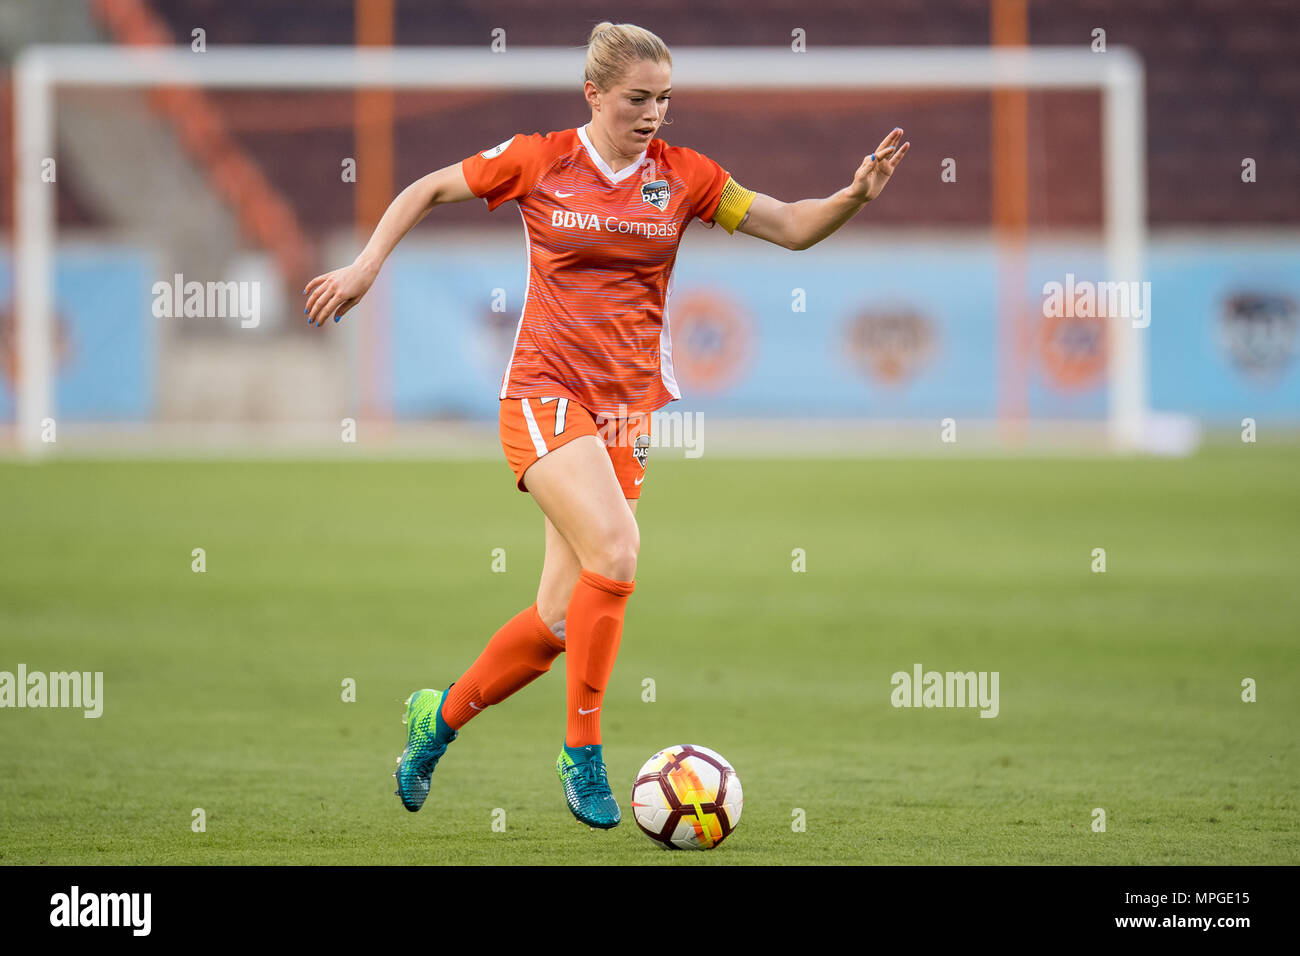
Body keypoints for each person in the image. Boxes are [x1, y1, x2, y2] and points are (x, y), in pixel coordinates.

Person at [302, 20, 909, 830]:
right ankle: (581, 753)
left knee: (558, 622)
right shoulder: (540, 158)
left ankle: (434, 720)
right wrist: (365, 266)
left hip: (626, 415)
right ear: (594, 94)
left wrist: (852, 198)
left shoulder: (686, 178)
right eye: (637, 98)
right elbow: (426, 188)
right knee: (618, 553)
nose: (654, 113)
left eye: (664, 99)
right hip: (544, 395)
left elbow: (792, 226)